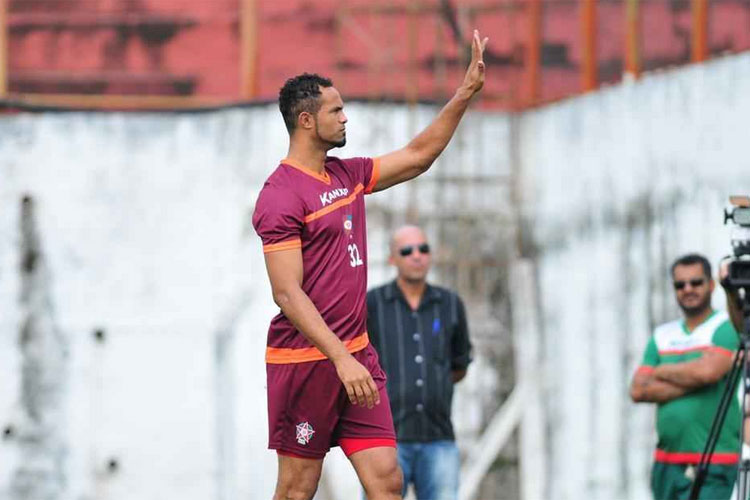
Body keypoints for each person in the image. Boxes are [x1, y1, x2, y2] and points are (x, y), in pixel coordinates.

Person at [251, 30, 488, 500]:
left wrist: (464, 94)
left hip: (357, 357)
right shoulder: (279, 196)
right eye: (335, 111)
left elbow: (420, 156)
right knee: (298, 488)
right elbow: (286, 293)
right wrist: (339, 358)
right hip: (307, 363)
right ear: (305, 120)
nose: (345, 118)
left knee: (387, 480)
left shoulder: (348, 174)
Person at [366, 225, 472, 500]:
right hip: (385, 442)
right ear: (393, 258)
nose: (417, 256)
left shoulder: (450, 303)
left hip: (439, 440)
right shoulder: (372, 304)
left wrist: (434, 385)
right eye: (407, 250)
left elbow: (459, 364)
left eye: (423, 249)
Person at [630, 253, 741, 500]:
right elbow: (638, 390)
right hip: (666, 463)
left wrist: (660, 371)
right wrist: (700, 377)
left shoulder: (727, 326)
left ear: (711, 284)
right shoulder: (662, 335)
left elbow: (708, 372)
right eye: (680, 285)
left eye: (696, 282)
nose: (688, 289)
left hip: (714, 459)